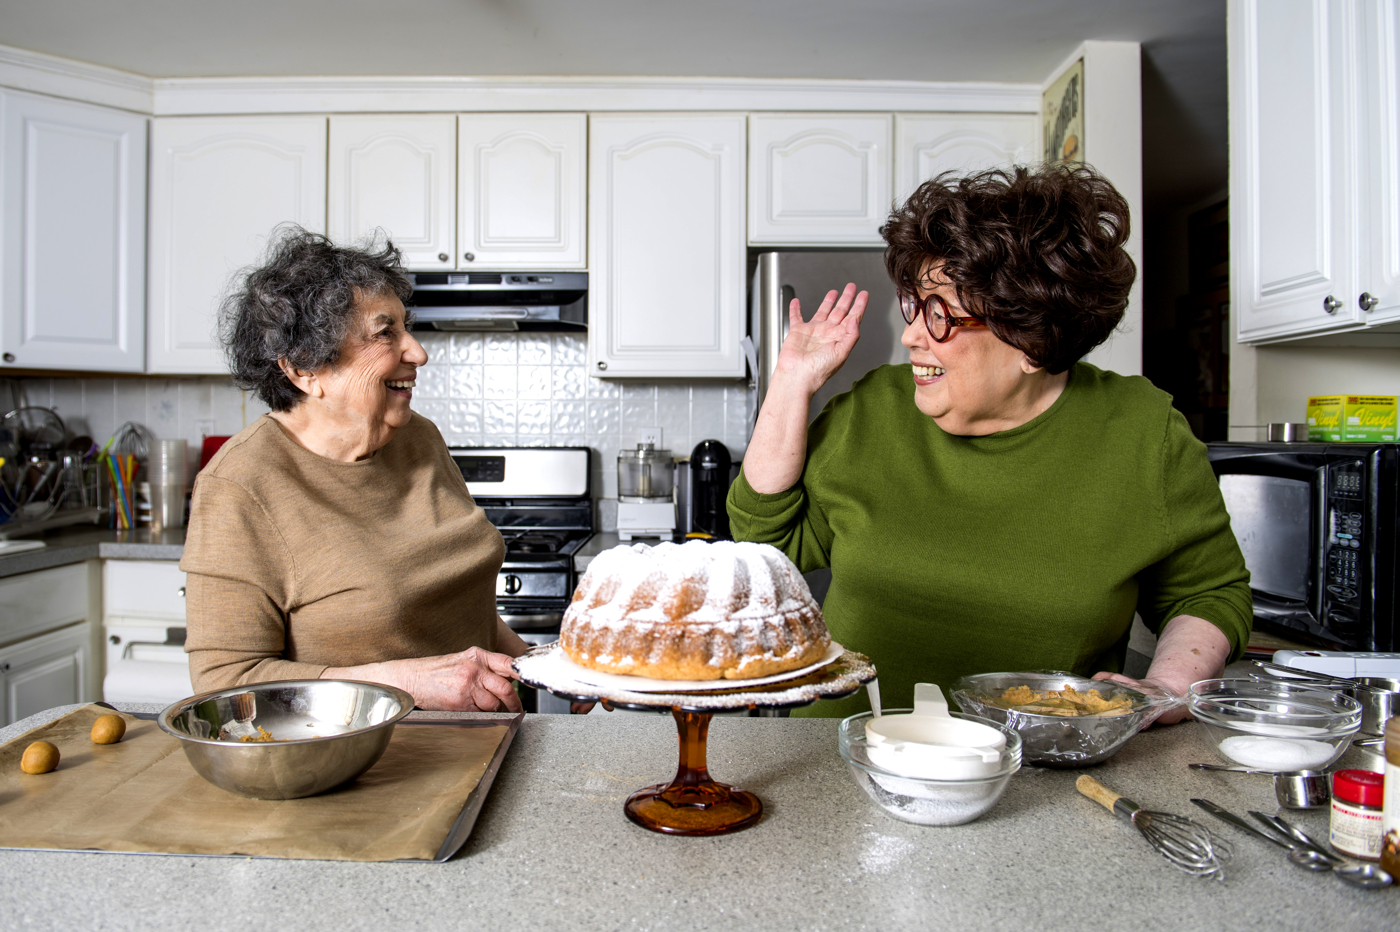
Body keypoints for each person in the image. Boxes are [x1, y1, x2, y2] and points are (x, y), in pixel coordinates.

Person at [728, 164, 1251, 722]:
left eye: (940, 316)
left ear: (1031, 339)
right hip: (851, 758)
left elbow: (1208, 595)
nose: (909, 336)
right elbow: (767, 539)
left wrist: (1166, 688)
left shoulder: (1145, 434)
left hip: (1045, 770)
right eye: (913, 304)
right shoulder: (873, 408)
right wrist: (791, 379)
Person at [180, 228, 527, 712]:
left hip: (487, 741)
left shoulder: (417, 438)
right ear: (304, 369)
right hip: (370, 765)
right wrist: (403, 684)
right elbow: (224, 685)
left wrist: (544, 668)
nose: (418, 352)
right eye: (386, 333)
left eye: (407, 328)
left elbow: (461, 613)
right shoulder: (240, 485)